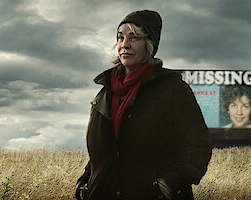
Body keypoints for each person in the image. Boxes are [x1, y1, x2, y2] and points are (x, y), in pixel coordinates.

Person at [75, 10, 212, 200]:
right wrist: (84, 184)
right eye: (120, 37)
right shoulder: (105, 93)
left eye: (134, 37)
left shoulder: (173, 89)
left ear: (149, 45)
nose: (125, 45)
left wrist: (167, 186)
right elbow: (104, 152)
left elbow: (198, 147)